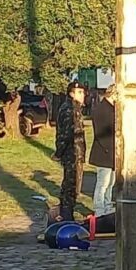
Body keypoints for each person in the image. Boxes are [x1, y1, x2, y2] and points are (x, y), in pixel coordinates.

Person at [54, 80, 87, 221]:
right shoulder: (69, 109)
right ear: (71, 93)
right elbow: (66, 134)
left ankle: (67, 214)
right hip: (71, 153)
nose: (82, 95)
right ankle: (66, 217)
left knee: (73, 185)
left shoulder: (76, 108)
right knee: (70, 186)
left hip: (76, 152)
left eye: (83, 92)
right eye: (79, 92)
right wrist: (59, 152)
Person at [89, 84, 116, 216]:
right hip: (104, 152)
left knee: (111, 182)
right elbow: (100, 133)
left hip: (111, 152)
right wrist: (109, 148)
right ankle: (99, 207)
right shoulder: (102, 109)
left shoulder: (111, 109)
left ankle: (107, 203)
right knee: (103, 182)